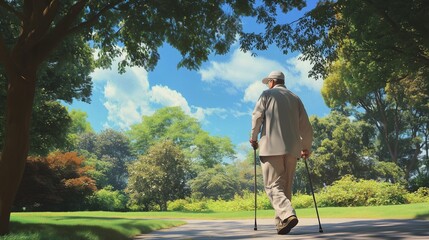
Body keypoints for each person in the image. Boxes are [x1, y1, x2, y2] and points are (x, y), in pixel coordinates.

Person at [249, 70, 313, 235]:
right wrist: (306, 147)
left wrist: (253, 138)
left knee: (272, 186)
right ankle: (282, 223)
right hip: (293, 149)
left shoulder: (267, 94)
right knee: (285, 188)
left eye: (268, 82)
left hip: (271, 147)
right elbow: (306, 126)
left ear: (271, 82)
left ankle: (288, 214)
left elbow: (257, 118)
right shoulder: (295, 98)